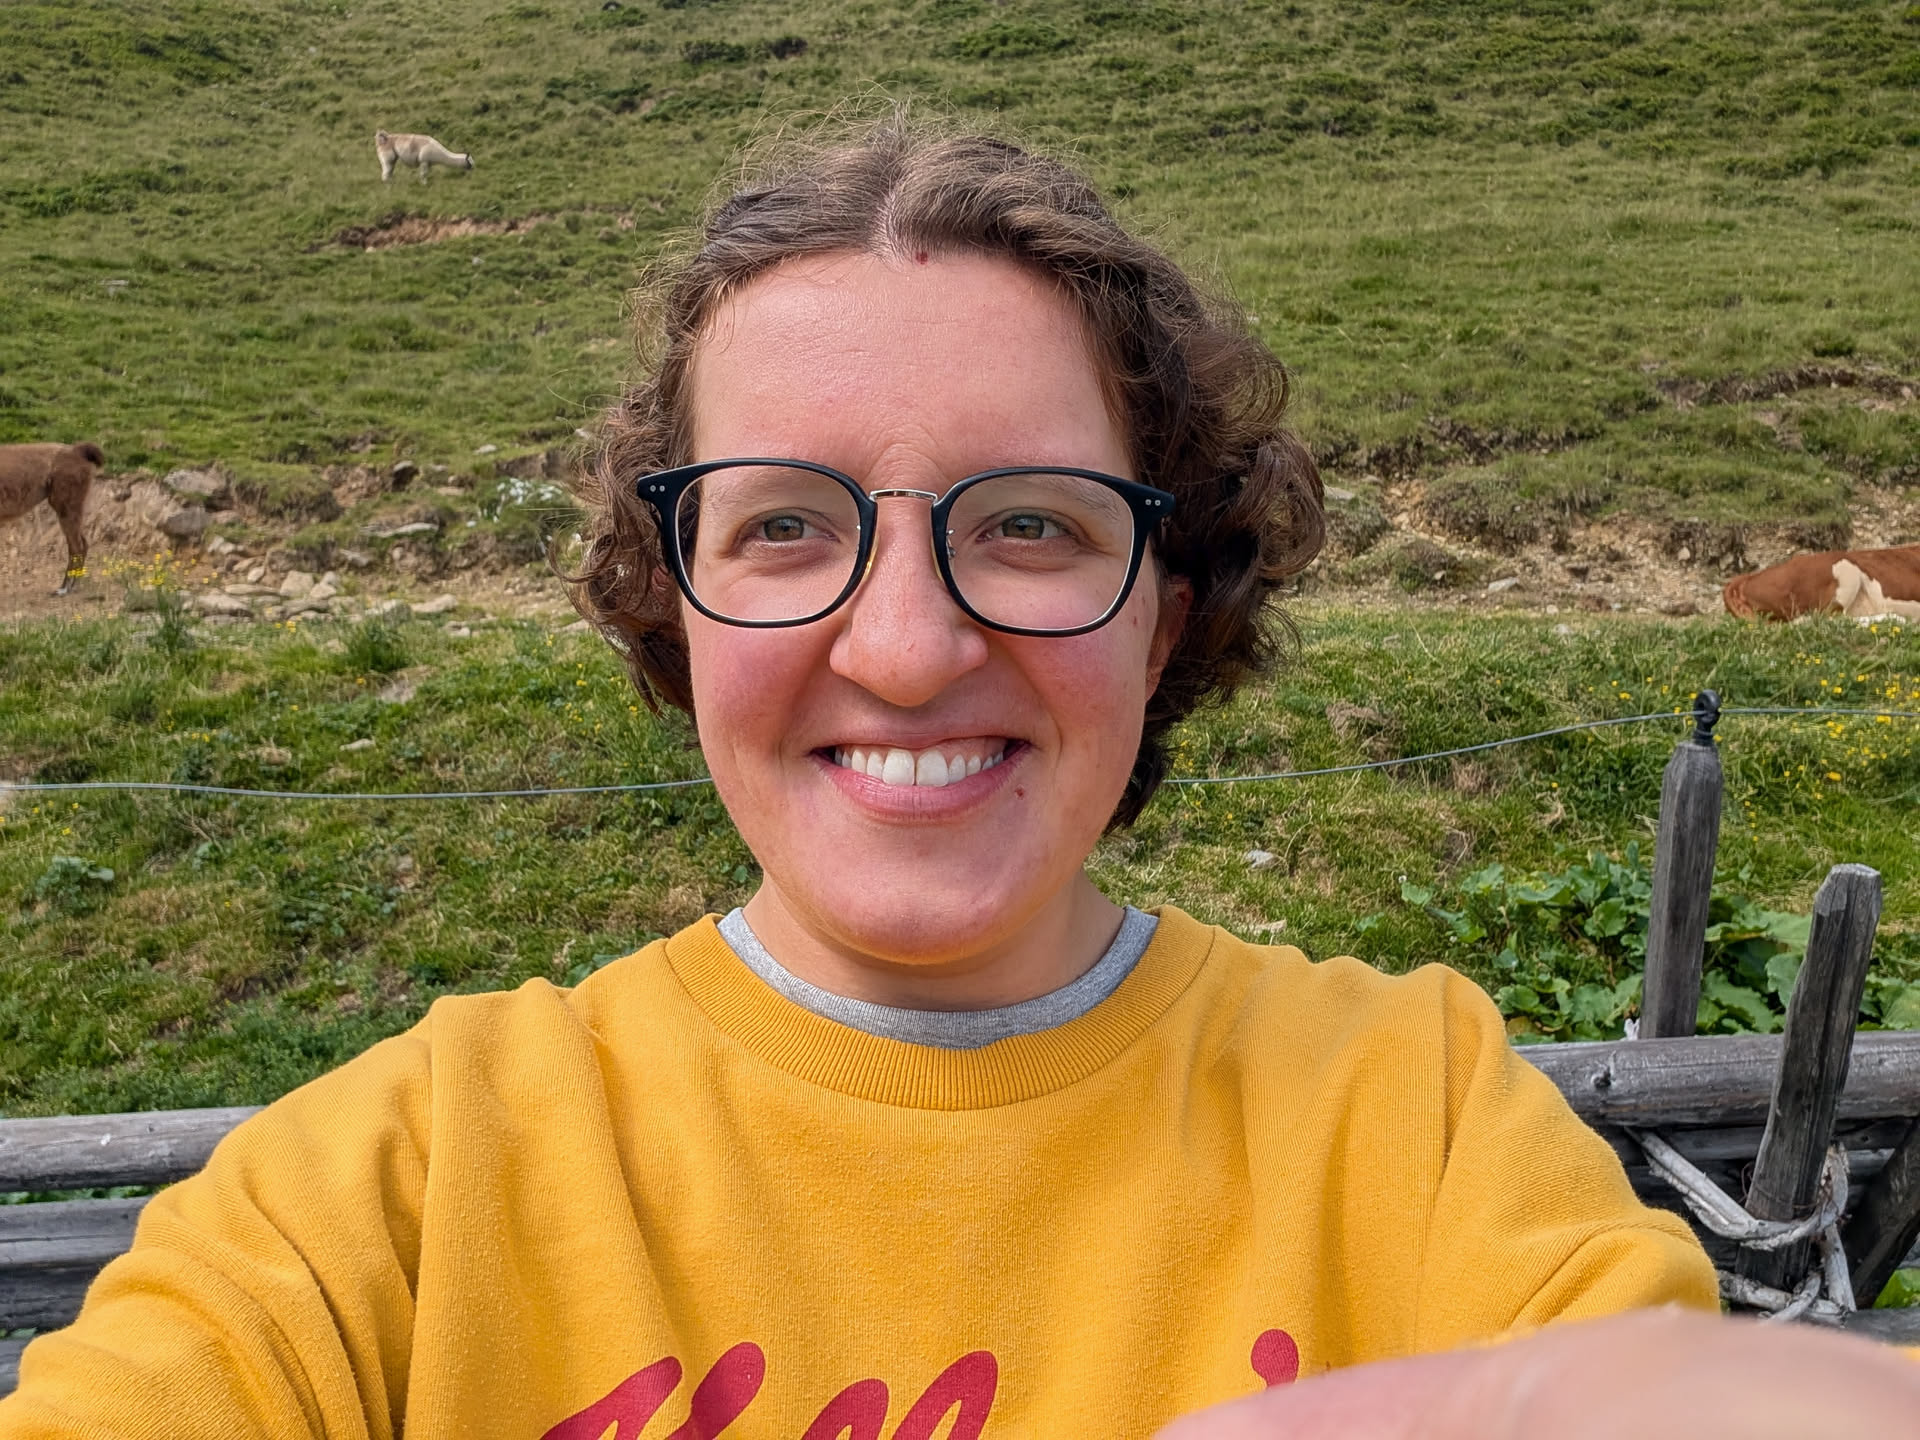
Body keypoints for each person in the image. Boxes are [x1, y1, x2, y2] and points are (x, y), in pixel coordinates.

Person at [3, 110, 1914, 1440]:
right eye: (779, 527)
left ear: (1165, 613)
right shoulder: (384, 1194)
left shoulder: (1417, 1122)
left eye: (1030, 524)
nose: (907, 646)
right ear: (671, 609)